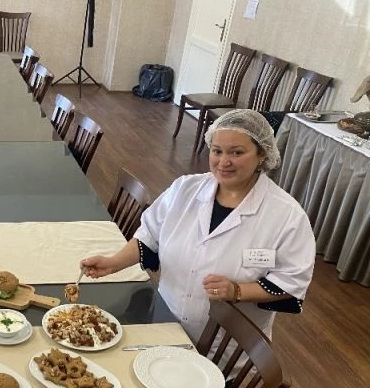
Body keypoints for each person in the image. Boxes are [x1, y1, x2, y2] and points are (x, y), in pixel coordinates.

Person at [81, 109, 316, 342]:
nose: (224, 162)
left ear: (262, 153)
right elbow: (149, 235)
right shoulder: (184, 189)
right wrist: (113, 263)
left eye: (237, 152)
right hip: (166, 324)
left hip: (225, 345)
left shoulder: (286, 215)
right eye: (217, 151)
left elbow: (292, 280)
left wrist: (237, 291)